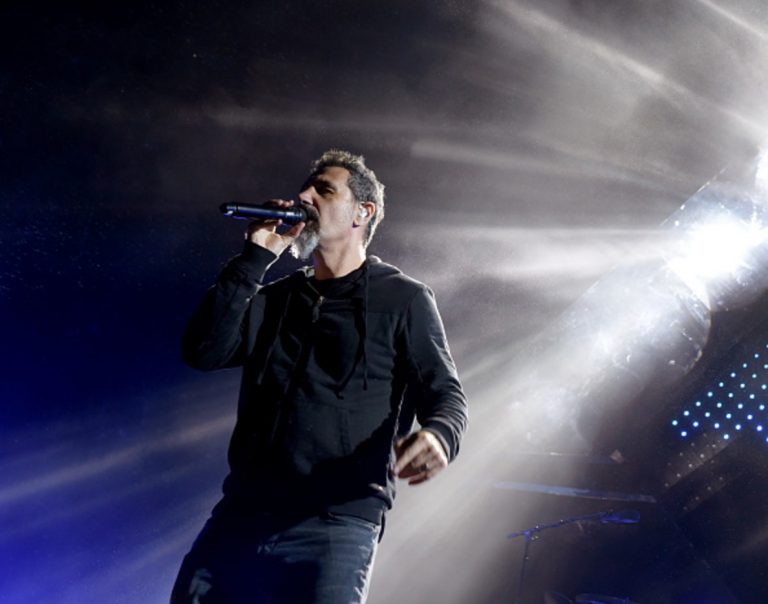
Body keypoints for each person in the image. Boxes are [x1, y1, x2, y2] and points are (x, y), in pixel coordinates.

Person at [171, 149, 468, 603]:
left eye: (324, 190)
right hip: (241, 516)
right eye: (305, 189)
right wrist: (254, 258)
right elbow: (203, 351)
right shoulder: (275, 299)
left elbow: (445, 392)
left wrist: (439, 436)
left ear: (362, 212)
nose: (304, 197)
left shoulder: (403, 299)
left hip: (334, 526)